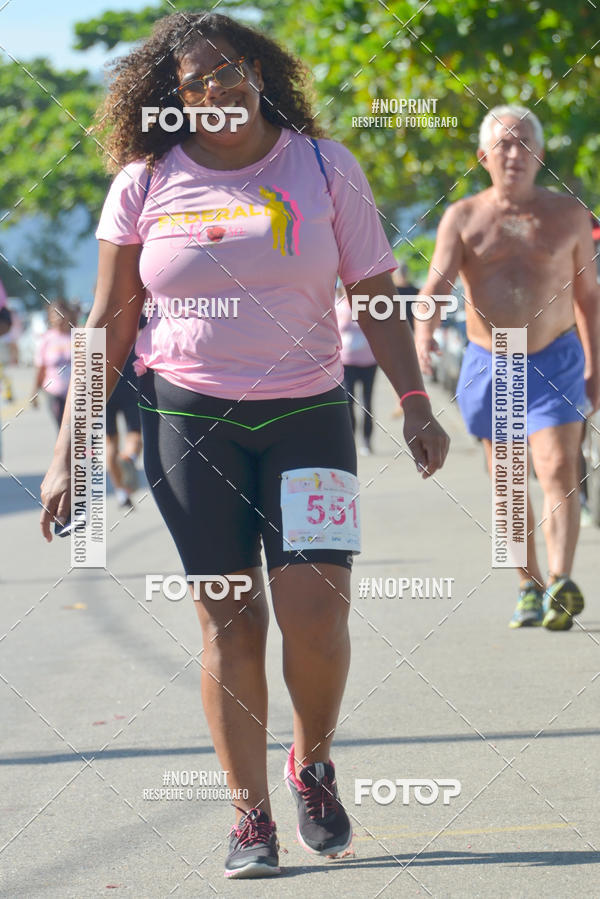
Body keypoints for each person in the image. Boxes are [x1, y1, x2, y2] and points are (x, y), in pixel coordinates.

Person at [40, 11, 449, 879]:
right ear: (173, 98)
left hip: (309, 416)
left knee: (317, 609)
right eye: (196, 80)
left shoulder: (325, 167)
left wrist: (413, 398)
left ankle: (313, 762)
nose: (219, 87)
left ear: (261, 73)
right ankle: (250, 814)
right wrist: (73, 448)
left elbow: (375, 291)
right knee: (230, 617)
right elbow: (110, 326)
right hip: (191, 424)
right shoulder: (144, 183)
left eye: (233, 69)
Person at [415, 105, 600, 631]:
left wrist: (596, 366)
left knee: (558, 466)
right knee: (508, 480)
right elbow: (432, 291)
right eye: (504, 144)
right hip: (493, 361)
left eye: (524, 144)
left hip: (555, 357)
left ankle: (561, 582)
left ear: (540, 154)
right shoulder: (464, 216)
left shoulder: (569, 215)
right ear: (483, 156)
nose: (514, 154)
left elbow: (589, 299)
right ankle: (528, 585)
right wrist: (424, 335)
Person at [336, 287, 378, 455]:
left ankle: (367, 440)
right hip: (347, 361)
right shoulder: (338, 305)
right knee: (348, 402)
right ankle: (350, 440)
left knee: (367, 402)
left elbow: (377, 329)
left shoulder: (369, 306)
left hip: (369, 361)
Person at [32, 299, 73, 430]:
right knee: (63, 429)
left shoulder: (78, 335)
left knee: (79, 432)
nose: (58, 317)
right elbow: (40, 368)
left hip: (78, 393)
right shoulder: (46, 339)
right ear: (49, 317)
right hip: (54, 392)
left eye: (61, 313)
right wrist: (34, 392)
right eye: (54, 314)